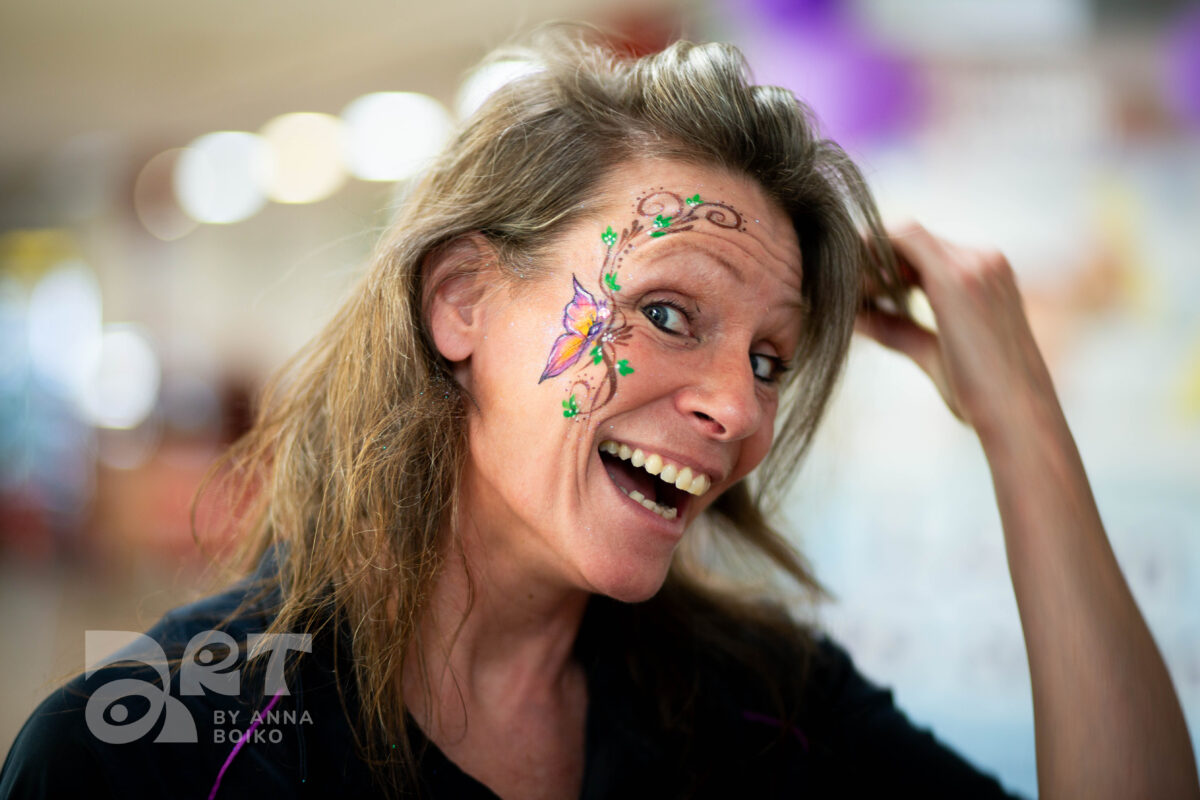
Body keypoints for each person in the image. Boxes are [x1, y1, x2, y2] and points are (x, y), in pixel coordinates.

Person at [2, 24, 1197, 800]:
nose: (738, 407)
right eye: (670, 314)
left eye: (774, 360)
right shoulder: (152, 739)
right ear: (463, 299)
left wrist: (1023, 423)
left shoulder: (759, 704)